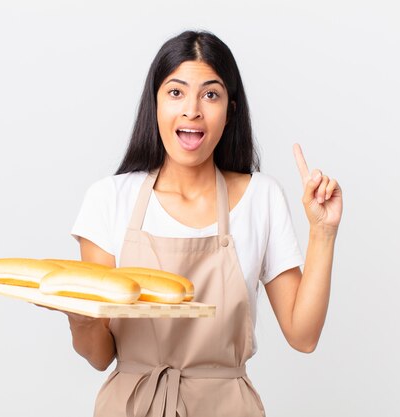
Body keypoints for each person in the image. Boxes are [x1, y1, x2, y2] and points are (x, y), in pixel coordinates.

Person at [41, 29, 343, 417]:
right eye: (176, 92)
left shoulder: (261, 197)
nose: (192, 110)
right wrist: (81, 319)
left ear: (230, 110)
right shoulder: (109, 199)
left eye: (211, 94)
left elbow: (303, 336)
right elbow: (100, 356)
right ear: (155, 104)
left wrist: (323, 231)